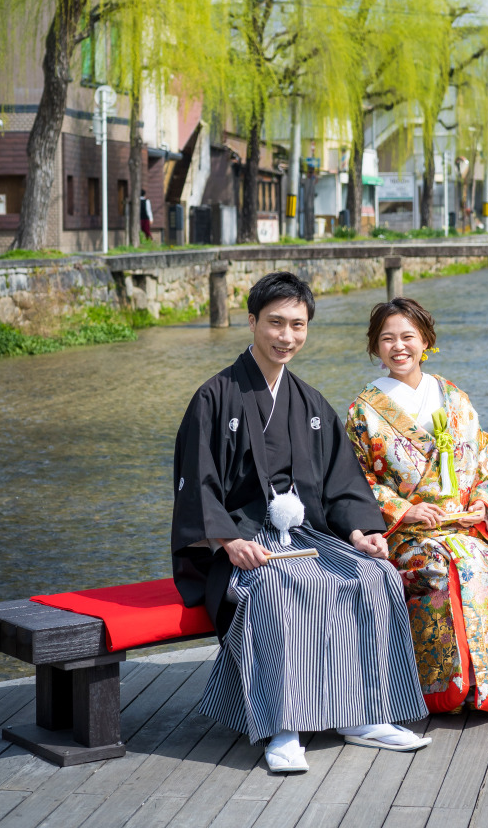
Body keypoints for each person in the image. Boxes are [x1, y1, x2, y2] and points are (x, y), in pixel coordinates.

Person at [171, 272, 430, 774]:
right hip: (240, 543)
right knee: (281, 587)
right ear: (251, 322)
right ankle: (283, 725)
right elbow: (196, 482)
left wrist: (360, 531)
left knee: (374, 576)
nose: (285, 336)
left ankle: (365, 711)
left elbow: (339, 484)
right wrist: (226, 539)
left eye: (297, 324)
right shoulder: (214, 397)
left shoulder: (310, 402)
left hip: (304, 535)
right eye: (275, 323)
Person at [344, 297, 488, 716]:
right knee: (435, 570)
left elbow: (485, 458)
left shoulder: (453, 396)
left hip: (463, 526)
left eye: (408, 337)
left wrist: (482, 501)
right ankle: (438, 686)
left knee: (478, 565)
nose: (399, 347)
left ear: (425, 341)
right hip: (409, 534)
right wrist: (403, 511)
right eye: (387, 338)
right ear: (375, 347)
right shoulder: (363, 411)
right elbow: (357, 479)